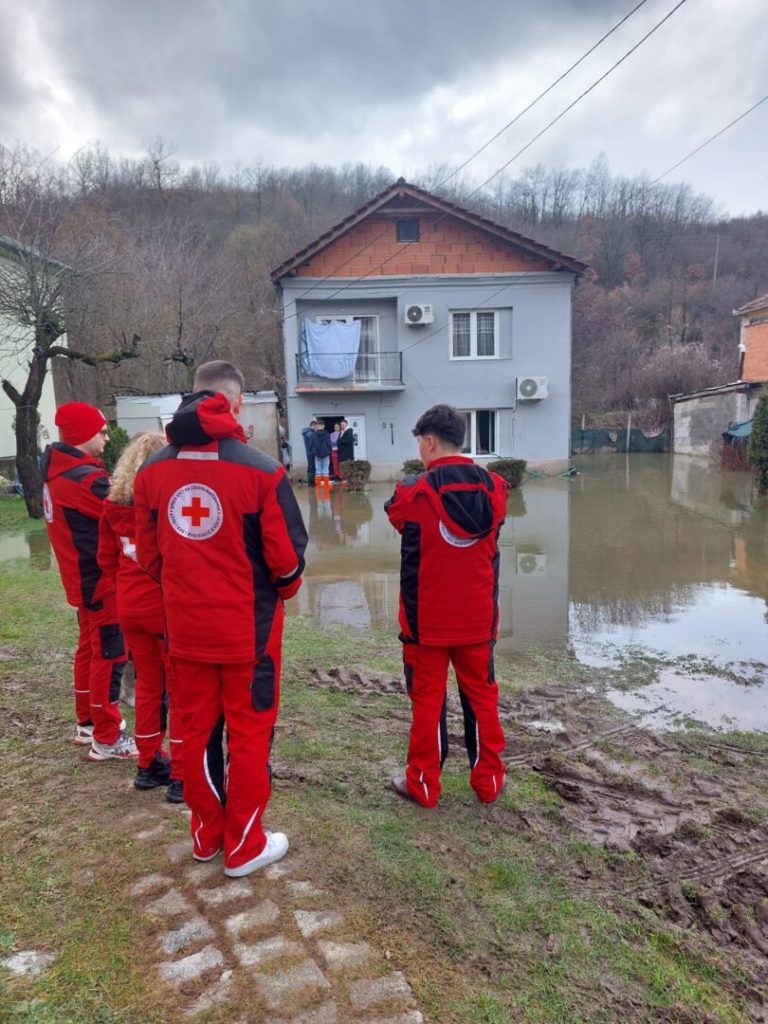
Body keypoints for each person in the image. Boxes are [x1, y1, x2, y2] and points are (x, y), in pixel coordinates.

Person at [134, 360, 308, 877]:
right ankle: (246, 845)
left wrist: (185, 586)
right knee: (250, 737)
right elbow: (289, 562)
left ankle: (207, 836)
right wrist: (279, 592)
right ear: (234, 405)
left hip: (185, 632)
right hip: (249, 636)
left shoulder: (151, 471)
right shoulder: (261, 470)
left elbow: (149, 555)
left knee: (199, 733)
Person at [384, 404, 508, 808]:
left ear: (430, 441)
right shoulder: (495, 489)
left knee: (427, 702)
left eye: (419, 442)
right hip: (477, 620)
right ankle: (489, 781)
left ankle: (423, 784)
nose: (419, 449)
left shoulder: (411, 491)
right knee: (482, 699)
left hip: (427, 625)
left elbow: (396, 515)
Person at [42, 402, 137, 760]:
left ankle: (87, 723)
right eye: (101, 432)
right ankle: (108, 736)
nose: (107, 437)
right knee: (110, 656)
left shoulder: (59, 474)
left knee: (89, 650)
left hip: (81, 583)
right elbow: (128, 513)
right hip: (100, 582)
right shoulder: (86, 480)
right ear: (83, 436)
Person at [98, 432, 184, 803]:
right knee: (180, 690)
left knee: (149, 686)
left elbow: (106, 560)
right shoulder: (164, 508)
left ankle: (148, 764)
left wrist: (126, 589)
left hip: (130, 607)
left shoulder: (112, 508)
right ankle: (181, 773)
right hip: (165, 609)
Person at [311, 420, 332, 492]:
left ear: (317, 425)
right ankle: (326, 487)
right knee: (326, 469)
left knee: (318, 470)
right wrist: (329, 451)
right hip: (325, 454)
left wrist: (314, 451)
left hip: (317, 454)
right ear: (323, 426)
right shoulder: (327, 434)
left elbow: (312, 445)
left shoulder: (314, 434)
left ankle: (319, 487)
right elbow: (329, 444)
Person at [301, 419, 317, 485]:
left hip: (309, 452)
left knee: (311, 466)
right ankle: (311, 482)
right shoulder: (309, 433)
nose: (316, 428)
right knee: (311, 467)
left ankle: (311, 481)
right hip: (311, 452)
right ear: (312, 426)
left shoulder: (308, 432)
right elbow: (313, 441)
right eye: (315, 427)